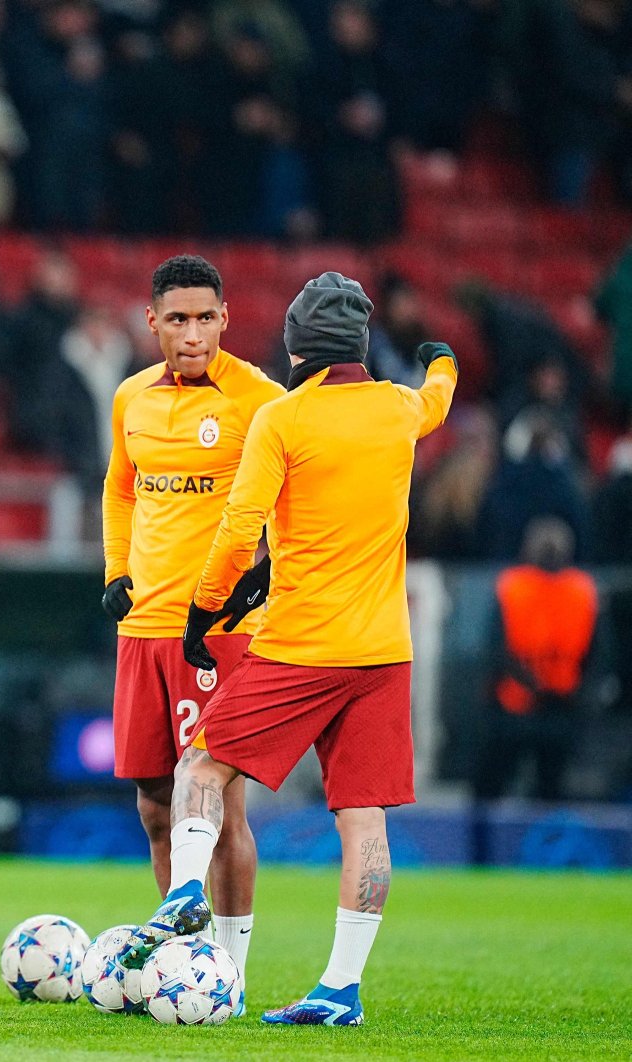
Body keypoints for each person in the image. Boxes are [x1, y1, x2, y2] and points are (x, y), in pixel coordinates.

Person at [117, 273, 458, 1027]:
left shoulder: (283, 418)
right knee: (362, 818)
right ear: (361, 346)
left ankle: (182, 895)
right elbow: (438, 396)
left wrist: (204, 612)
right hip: (382, 650)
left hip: (300, 643)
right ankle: (341, 989)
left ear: (298, 346)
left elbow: (240, 535)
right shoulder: (401, 409)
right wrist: (442, 361)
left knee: (201, 766)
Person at [101, 255, 284, 986]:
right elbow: (119, 491)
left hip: (219, 636)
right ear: (153, 323)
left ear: (225, 319)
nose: (193, 333)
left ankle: (229, 971)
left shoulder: (259, 400)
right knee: (153, 804)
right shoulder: (131, 400)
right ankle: (188, 958)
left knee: (217, 802)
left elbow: (297, 498)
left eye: (206, 318)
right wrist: (115, 570)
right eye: (177, 319)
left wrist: (266, 577)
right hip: (142, 632)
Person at [473, 516, 598, 804]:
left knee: (490, 789)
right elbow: (595, 655)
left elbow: (496, 650)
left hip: (514, 705)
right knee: (550, 793)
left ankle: (483, 846)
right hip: (562, 705)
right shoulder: (583, 591)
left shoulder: (512, 586)